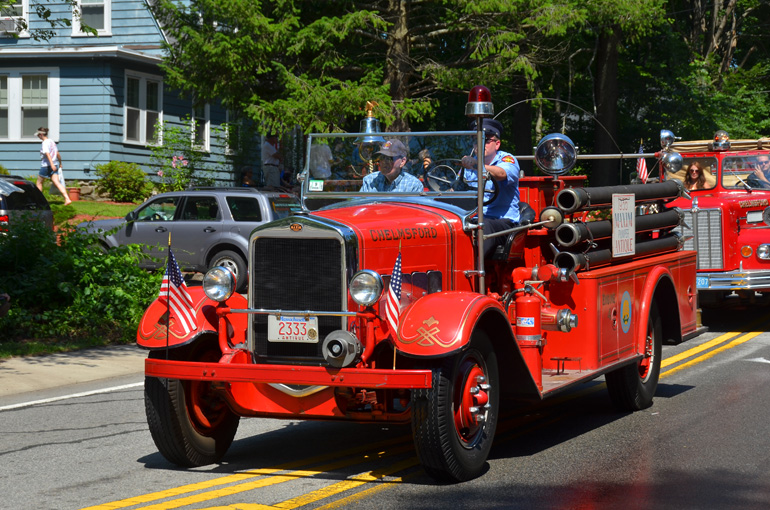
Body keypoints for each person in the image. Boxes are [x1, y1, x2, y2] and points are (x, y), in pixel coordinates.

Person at [459, 118, 520, 258]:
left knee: (484, 225)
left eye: (486, 140)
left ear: (497, 144)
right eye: (476, 141)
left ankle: (474, 271)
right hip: (472, 218)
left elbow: (501, 174)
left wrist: (477, 165)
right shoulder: (469, 163)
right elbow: (456, 188)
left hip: (503, 222)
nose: (480, 144)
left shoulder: (507, 159)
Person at [35, 127, 71, 205]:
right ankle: (67, 199)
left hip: (46, 166)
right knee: (57, 182)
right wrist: (60, 163)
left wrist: (51, 164)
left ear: (41, 134)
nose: (38, 136)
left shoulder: (44, 143)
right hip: (55, 164)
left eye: (38, 135)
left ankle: (39, 201)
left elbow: (47, 153)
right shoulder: (52, 141)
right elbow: (57, 153)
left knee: (39, 183)